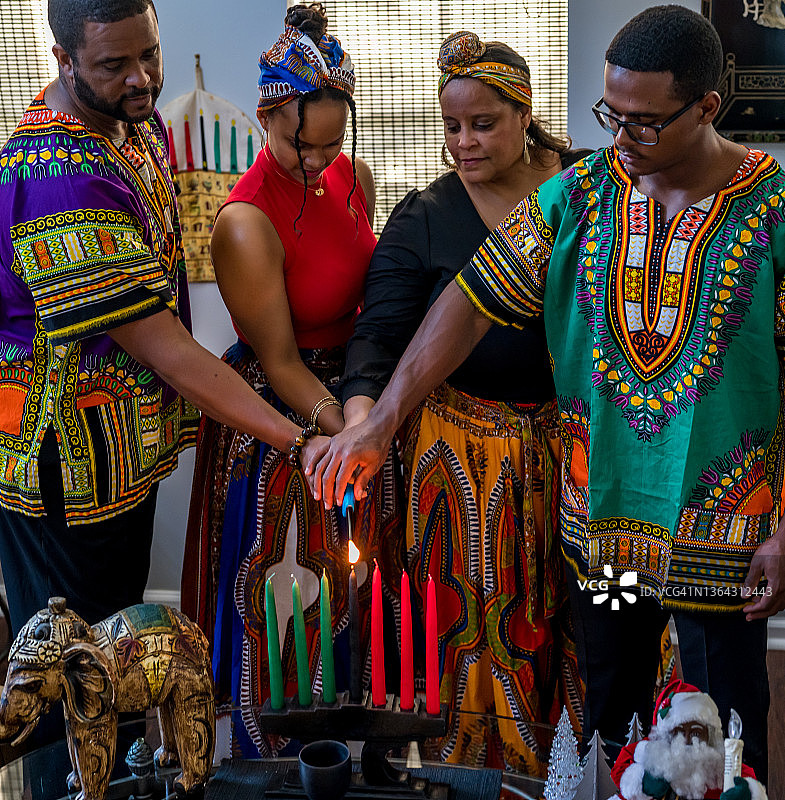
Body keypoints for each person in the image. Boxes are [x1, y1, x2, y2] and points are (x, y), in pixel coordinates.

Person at [308, 5, 785, 783]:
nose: (620, 137)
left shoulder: (772, 211)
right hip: (602, 527)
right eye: (611, 114)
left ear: (705, 107)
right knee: (613, 716)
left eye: (643, 122)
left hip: (723, 537)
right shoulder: (579, 196)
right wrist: (381, 418)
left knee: (721, 735)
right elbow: (466, 301)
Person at [0, 0, 325, 641]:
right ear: (63, 60)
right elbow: (166, 349)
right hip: (62, 468)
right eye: (114, 64)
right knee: (66, 667)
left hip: (121, 449)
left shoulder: (130, 122)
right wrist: (296, 439)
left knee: (118, 642)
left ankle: (118, 745)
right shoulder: (58, 177)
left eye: (148, 53)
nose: (143, 79)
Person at [337, 30, 590, 772]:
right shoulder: (425, 216)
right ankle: (477, 776)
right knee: (476, 631)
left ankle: (577, 770)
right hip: (464, 470)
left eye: (482, 123)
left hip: (575, 450)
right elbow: (376, 339)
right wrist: (362, 425)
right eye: (451, 126)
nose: (463, 142)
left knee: (585, 618)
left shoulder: (584, 189)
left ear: (524, 112)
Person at [181, 4, 398, 758]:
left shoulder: (351, 174)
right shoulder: (243, 222)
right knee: (289, 604)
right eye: (300, 145)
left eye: (332, 144)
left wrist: (373, 414)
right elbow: (278, 362)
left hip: (357, 399)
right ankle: (278, 763)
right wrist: (351, 434)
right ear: (267, 114)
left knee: (362, 594)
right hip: (292, 420)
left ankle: (363, 756)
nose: (318, 162)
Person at [610, 680, 767, 800]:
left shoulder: (724, 768)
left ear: (710, 736)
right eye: (677, 732)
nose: (686, 740)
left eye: (696, 733)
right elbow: (622, 780)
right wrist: (643, 786)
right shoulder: (648, 759)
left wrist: (746, 794)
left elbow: (750, 786)